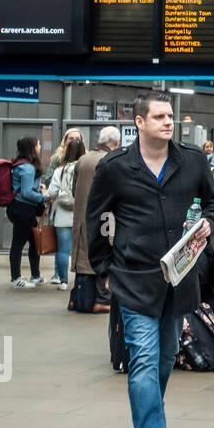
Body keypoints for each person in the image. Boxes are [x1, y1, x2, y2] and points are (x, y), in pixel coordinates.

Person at [87, 93, 214, 428]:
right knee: (143, 358)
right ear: (140, 123)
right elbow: (95, 218)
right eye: (160, 116)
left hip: (179, 279)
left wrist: (209, 222)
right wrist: (104, 269)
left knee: (164, 357)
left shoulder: (192, 160)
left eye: (170, 116)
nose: (169, 121)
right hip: (134, 278)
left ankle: (153, 423)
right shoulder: (115, 167)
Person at [71, 126, 120, 312]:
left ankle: (77, 298)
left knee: (81, 257)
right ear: (116, 143)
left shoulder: (83, 159)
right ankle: (102, 300)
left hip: (82, 218)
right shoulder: (110, 161)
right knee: (103, 254)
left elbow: (75, 190)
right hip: (105, 219)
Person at [44, 137, 85, 290]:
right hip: (81, 215)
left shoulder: (59, 170)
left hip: (62, 214)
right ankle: (82, 279)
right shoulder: (85, 168)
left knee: (63, 250)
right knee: (82, 249)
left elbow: (52, 192)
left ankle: (63, 281)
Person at [8, 136, 47, 290]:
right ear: (32, 147)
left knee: (34, 241)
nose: (40, 146)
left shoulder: (19, 164)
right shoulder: (28, 168)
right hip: (23, 209)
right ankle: (16, 278)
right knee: (18, 243)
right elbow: (26, 193)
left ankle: (35, 275)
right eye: (38, 144)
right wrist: (43, 197)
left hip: (20, 208)